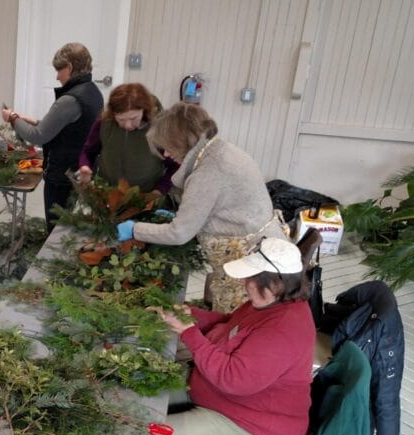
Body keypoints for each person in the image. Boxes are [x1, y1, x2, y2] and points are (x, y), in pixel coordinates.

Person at [110, 238, 315, 435]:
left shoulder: (283, 331)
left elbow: (233, 378)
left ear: (275, 283)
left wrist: (188, 332)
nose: (245, 284)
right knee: (141, 397)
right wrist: (191, 315)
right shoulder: (270, 303)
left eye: (251, 279)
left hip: (249, 425)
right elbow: (230, 324)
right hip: (222, 400)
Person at [116, 103, 288, 312]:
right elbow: (218, 205)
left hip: (249, 262)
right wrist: (183, 214)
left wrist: (135, 229)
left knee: (237, 321)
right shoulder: (220, 149)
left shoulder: (209, 170)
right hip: (264, 247)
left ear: (180, 140)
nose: (168, 154)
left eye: (168, 146)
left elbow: (179, 234)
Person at [2, 42, 103, 232]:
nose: (57, 76)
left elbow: (38, 137)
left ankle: (50, 255)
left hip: (62, 173)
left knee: (55, 226)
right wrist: (29, 119)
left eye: (59, 70)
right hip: (78, 169)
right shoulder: (93, 92)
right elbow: (67, 126)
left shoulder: (70, 100)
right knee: (66, 221)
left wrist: (13, 118)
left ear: (70, 67)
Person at [75, 82, 177, 198]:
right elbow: (88, 151)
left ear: (144, 110)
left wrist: (158, 191)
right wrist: (85, 166)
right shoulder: (104, 122)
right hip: (106, 195)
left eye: (133, 118)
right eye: (121, 119)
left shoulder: (159, 129)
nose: (128, 125)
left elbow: (174, 167)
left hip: (145, 198)